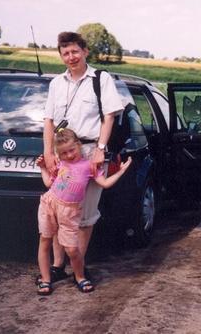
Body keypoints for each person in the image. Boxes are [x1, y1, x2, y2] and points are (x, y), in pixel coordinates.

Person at [42, 31, 124, 285]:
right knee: (58, 210)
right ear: (61, 56)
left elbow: (109, 116)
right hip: (61, 155)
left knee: (84, 214)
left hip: (89, 154)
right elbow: (49, 121)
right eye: (65, 53)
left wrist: (100, 148)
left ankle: (79, 264)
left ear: (85, 51)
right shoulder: (57, 83)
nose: (71, 57)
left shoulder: (101, 79)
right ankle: (57, 267)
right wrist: (48, 153)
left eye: (75, 51)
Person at [37, 128, 132, 294]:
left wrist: (121, 171)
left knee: (72, 249)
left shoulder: (89, 166)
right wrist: (43, 168)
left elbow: (105, 183)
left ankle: (79, 276)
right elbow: (48, 184)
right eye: (64, 153)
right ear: (59, 154)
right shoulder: (60, 163)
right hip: (49, 204)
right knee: (45, 241)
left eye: (71, 150)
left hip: (70, 211)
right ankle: (45, 280)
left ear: (79, 145)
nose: (69, 155)